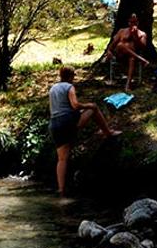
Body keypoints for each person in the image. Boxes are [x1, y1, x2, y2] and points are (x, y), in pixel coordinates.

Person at [49, 66, 119, 196]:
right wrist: (88, 105)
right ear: (71, 76)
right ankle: (108, 132)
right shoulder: (69, 87)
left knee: (62, 159)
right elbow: (75, 105)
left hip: (54, 124)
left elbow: (57, 108)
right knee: (93, 108)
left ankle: (61, 189)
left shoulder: (53, 88)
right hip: (67, 122)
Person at [110, 13, 153, 89]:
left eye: (135, 22)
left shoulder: (142, 34)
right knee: (120, 45)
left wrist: (135, 36)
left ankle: (128, 84)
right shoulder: (122, 31)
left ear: (137, 22)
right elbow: (113, 44)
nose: (132, 24)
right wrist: (109, 51)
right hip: (120, 55)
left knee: (132, 59)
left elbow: (142, 47)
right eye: (131, 22)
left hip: (131, 56)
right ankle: (143, 60)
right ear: (128, 22)